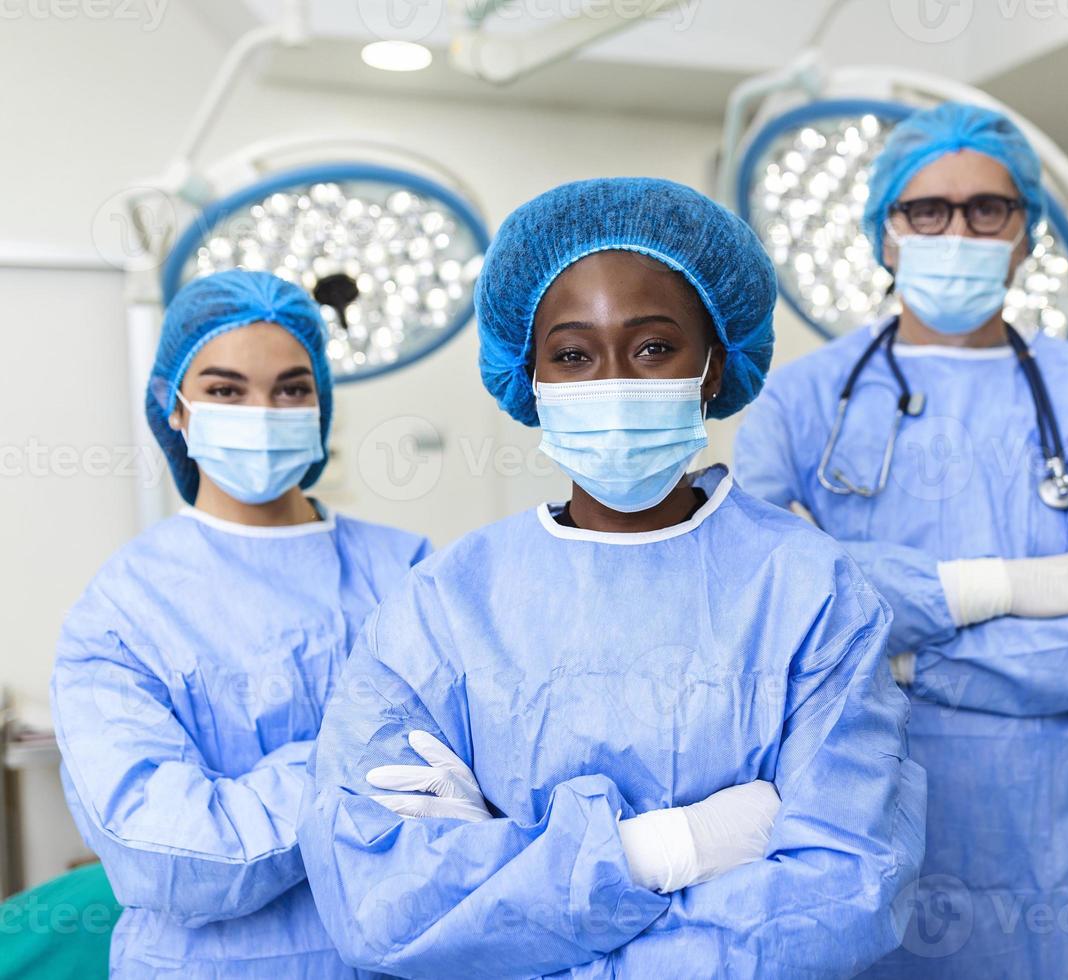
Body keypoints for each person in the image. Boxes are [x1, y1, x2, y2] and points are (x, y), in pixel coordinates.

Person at [298, 177, 927, 979]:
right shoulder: (444, 608)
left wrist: (514, 894)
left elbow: (841, 894)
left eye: (654, 346)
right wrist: (675, 848)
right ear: (530, 379)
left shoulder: (809, 593)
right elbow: (380, 903)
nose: (614, 379)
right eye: (571, 354)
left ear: (713, 366)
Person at [735, 102, 1068, 978]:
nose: (958, 230)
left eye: (988, 209)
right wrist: (1006, 586)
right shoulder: (798, 401)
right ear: (884, 233)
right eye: (925, 209)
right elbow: (766, 594)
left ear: (1027, 234)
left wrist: (895, 660)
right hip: (851, 813)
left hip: (1047, 843)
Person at [49, 269, 432, 979]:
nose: (262, 410)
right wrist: (362, 774)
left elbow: (477, 788)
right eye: (226, 390)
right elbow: (168, 854)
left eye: (291, 388)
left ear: (318, 407)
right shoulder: (124, 611)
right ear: (176, 409)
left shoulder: (407, 571)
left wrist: (264, 790)